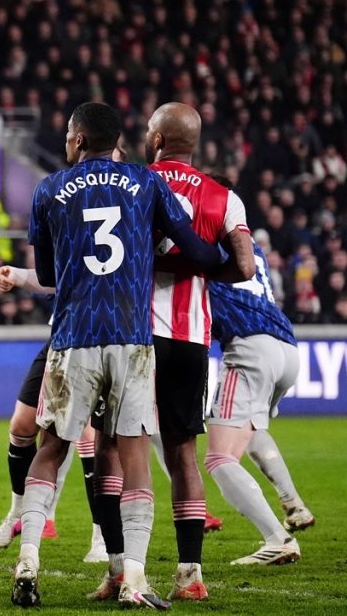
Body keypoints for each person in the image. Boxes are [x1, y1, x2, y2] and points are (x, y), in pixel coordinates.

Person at [11, 102, 225, 609]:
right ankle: (134, 578)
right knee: (134, 456)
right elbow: (196, 249)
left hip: (73, 337)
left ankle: (28, 562)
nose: (66, 142)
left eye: (69, 134)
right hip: (131, 338)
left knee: (51, 448)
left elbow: (48, 274)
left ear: (80, 140)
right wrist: (228, 258)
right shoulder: (146, 182)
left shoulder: (48, 189)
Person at [137, 103, 255, 601]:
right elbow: (245, 267)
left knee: (122, 448)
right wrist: (203, 270)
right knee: (183, 450)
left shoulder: (136, 183)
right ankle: (190, 575)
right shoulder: (223, 196)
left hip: (135, 334)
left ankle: (124, 569)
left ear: (158, 139)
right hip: (190, 337)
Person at [204, 196, 313, 565]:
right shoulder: (251, 245)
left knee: (219, 456)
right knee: (249, 427)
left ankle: (277, 539)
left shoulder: (207, 242)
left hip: (250, 345)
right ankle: (293, 503)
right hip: (286, 345)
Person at [0, 265, 105, 563]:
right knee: (22, 425)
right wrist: (18, 276)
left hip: (102, 336)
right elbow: (58, 275)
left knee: (89, 436)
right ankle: (17, 513)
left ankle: (102, 538)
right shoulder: (66, 238)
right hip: (61, 334)